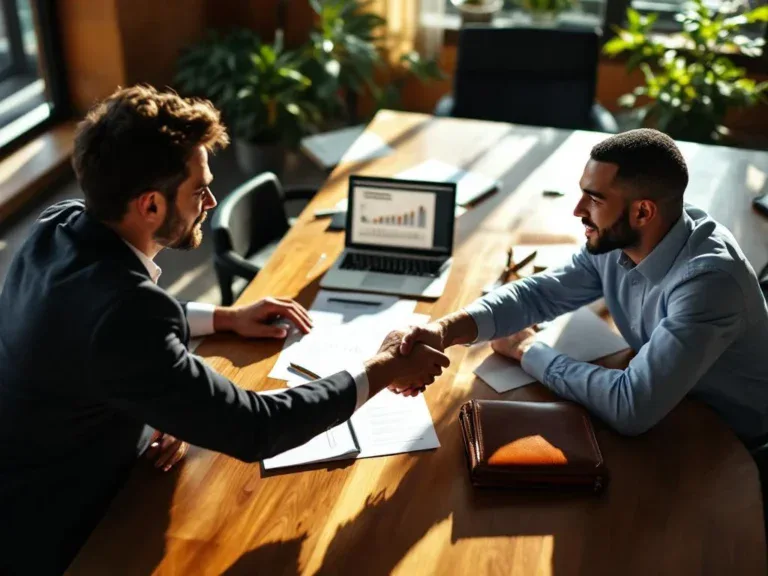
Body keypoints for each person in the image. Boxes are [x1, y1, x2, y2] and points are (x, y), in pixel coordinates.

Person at [0, 85, 449, 574]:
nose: (211, 200)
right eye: (199, 189)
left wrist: (223, 317)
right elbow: (258, 426)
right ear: (150, 206)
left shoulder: (58, 224)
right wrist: (385, 367)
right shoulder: (126, 317)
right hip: (65, 531)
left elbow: (93, 318)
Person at [398, 129, 768, 517]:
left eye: (594, 198)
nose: (577, 209)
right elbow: (539, 294)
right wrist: (443, 331)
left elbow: (631, 406)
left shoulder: (708, 281)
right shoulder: (620, 239)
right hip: (671, 416)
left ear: (643, 211)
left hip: (730, 447)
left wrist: (527, 350)